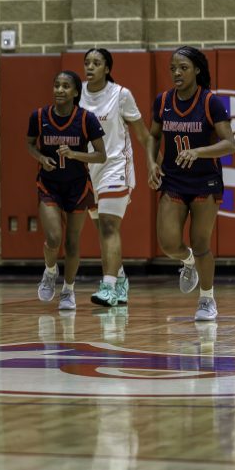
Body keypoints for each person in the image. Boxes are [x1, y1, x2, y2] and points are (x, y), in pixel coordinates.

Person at [146, 46, 235, 322]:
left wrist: (198, 152)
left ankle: (207, 299)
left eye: (183, 68)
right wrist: (151, 163)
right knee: (169, 244)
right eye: (173, 68)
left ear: (196, 70)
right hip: (173, 178)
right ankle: (187, 262)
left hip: (205, 180)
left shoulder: (210, 102)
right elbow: (153, 136)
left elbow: (229, 144)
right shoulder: (163, 101)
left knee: (200, 242)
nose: (176, 73)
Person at [27, 70, 107, 312]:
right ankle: (50, 270)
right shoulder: (39, 116)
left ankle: (68, 290)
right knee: (53, 238)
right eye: (56, 85)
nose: (59, 90)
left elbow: (101, 155)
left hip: (77, 187)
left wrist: (74, 154)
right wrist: (41, 158)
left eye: (65, 86)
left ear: (75, 92)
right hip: (49, 185)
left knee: (72, 243)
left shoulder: (86, 119)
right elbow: (29, 144)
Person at [78, 49, 152, 307]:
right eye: (87, 63)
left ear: (107, 69)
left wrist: (153, 163)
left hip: (115, 167)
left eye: (96, 63)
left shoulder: (121, 95)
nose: (90, 67)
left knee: (109, 226)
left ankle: (108, 287)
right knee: (102, 230)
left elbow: (144, 135)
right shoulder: (77, 94)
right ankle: (120, 279)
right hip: (87, 171)